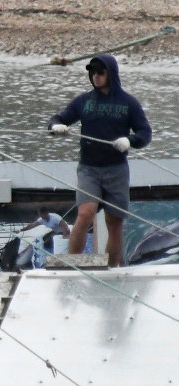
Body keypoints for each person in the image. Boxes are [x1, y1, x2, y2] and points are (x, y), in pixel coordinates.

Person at [48, 54, 151, 267]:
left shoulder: (128, 103)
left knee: (114, 223)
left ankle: (113, 268)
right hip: (89, 169)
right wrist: (56, 127)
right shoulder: (83, 101)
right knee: (85, 213)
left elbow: (145, 133)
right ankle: (73, 265)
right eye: (92, 72)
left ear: (111, 74)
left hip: (117, 170)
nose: (96, 76)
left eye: (100, 72)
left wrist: (130, 141)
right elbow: (57, 118)